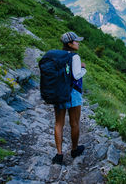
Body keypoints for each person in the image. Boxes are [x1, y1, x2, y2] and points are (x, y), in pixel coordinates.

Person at [52, 31, 87, 165]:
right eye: (76, 41)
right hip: (73, 94)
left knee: (59, 123)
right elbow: (77, 75)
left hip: (59, 92)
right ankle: (74, 149)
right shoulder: (75, 57)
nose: (78, 43)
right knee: (75, 123)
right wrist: (84, 68)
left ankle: (59, 155)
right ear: (70, 44)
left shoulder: (57, 55)